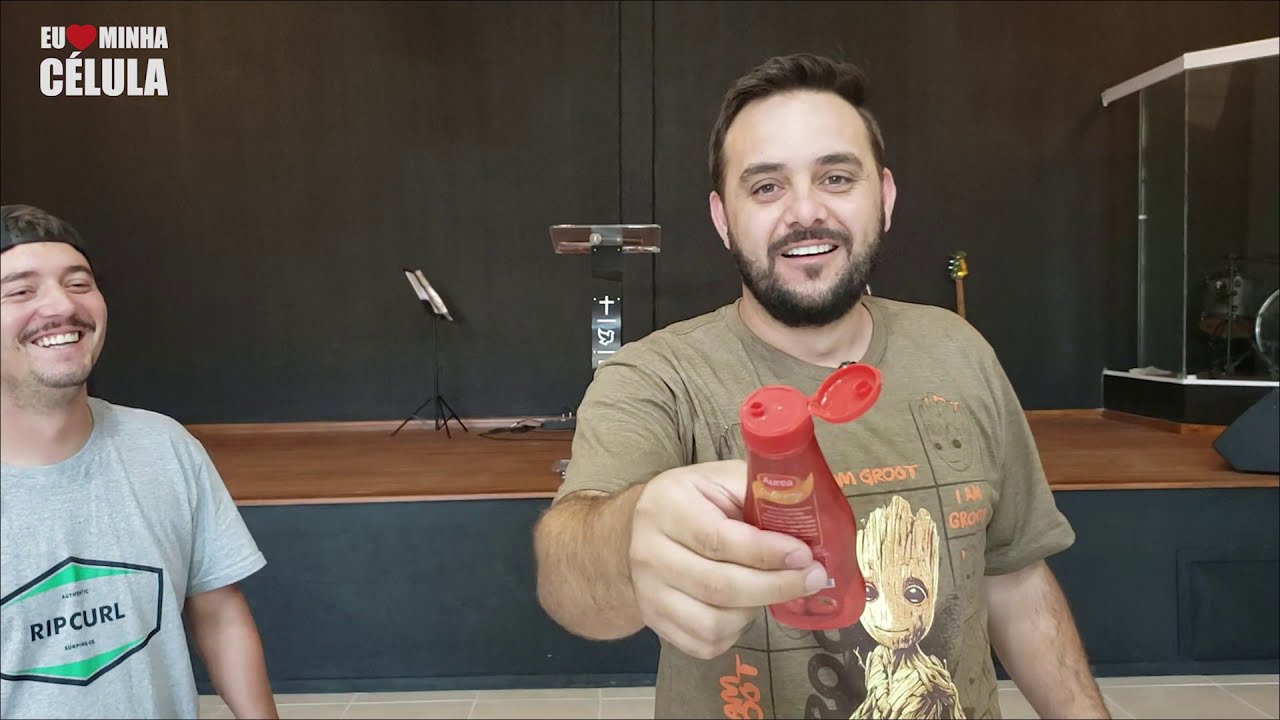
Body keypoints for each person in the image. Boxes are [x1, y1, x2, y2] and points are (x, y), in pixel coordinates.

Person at [534, 54, 1109, 719]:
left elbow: (1015, 579)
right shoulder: (657, 376)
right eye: (766, 187)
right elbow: (570, 581)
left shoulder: (958, 350)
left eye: (836, 177)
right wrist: (631, 534)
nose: (805, 212)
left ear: (883, 197)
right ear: (723, 219)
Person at [0, 204, 278, 719]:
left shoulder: (163, 447)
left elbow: (218, 612)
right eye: (20, 291)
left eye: (78, 283)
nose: (62, 304)